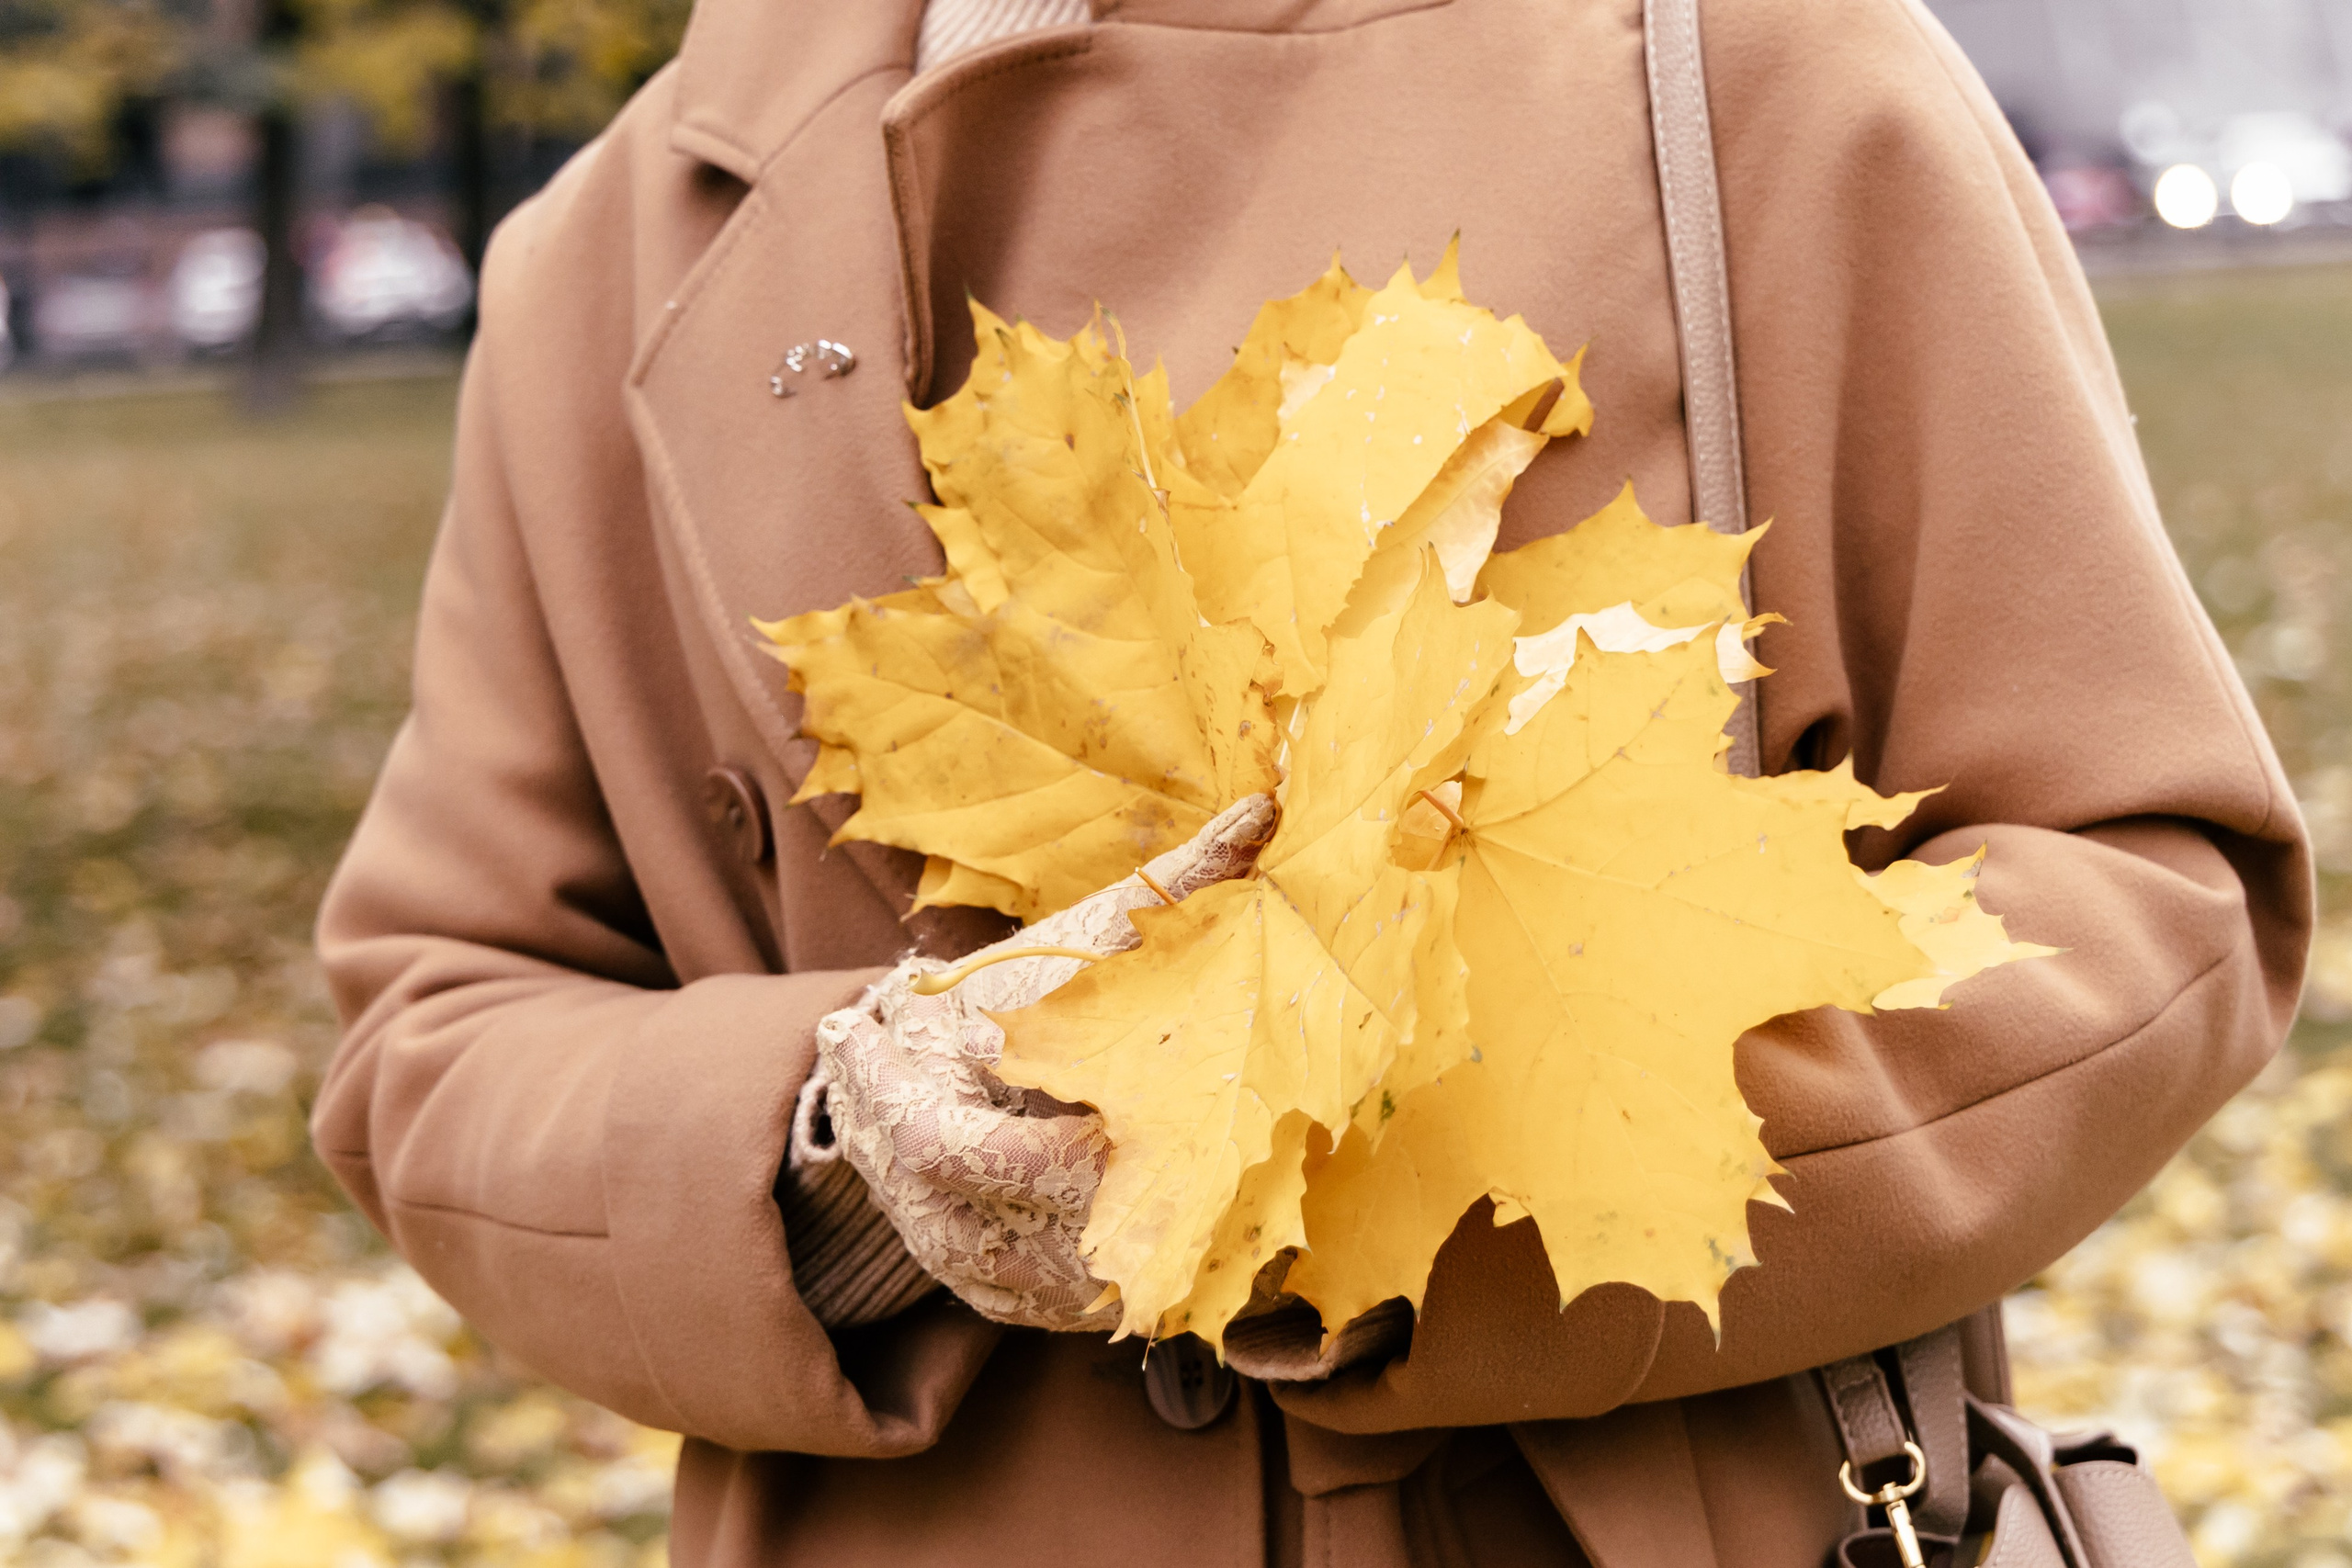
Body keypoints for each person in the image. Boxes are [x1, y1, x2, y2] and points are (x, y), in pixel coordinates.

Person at [309, 0, 2315, 1562]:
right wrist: (831, 1152)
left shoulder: (1750, 79)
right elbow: (439, 1020)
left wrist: (1354, 1167)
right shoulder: (616, 239)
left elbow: (2140, 876)